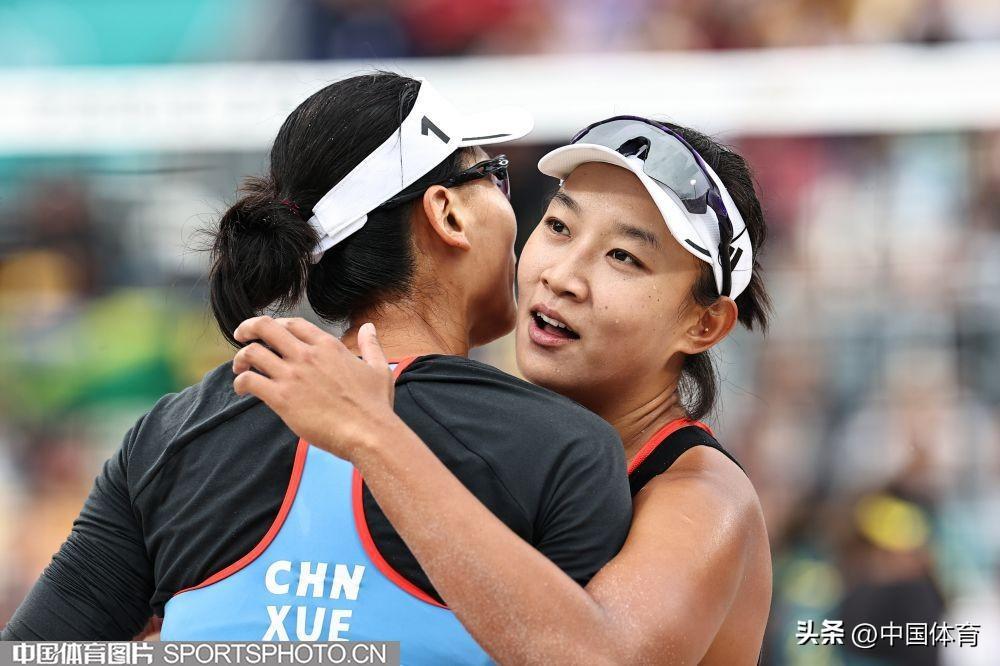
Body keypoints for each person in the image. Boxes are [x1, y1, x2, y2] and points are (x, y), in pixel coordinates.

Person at [0, 74, 634, 663]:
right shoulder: (565, 447)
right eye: (493, 176)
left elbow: (32, 653)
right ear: (448, 214)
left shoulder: (170, 434)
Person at [232, 115, 774, 663]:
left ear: (704, 324)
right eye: (559, 226)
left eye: (623, 257)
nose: (561, 276)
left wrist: (376, 438)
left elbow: (599, 658)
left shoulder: (706, 498)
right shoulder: (513, 452)